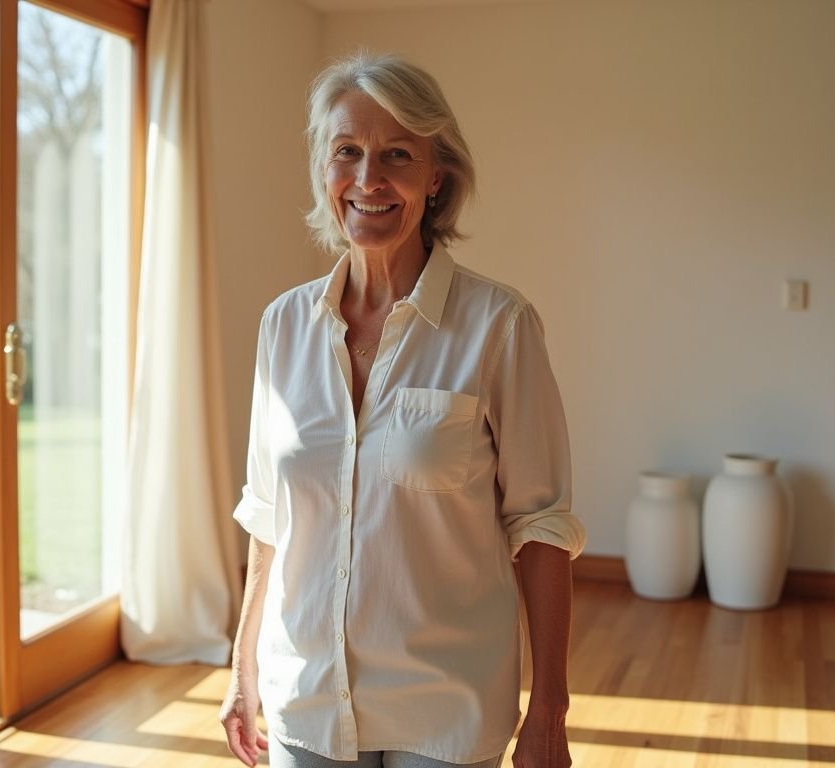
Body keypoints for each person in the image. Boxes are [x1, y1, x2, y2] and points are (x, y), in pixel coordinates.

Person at [219, 52, 586, 768]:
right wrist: (243, 674)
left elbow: (541, 528)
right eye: (347, 153)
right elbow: (269, 515)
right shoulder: (283, 326)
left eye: (397, 155)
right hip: (308, 699)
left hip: (446, 706)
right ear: (324, 170)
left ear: (436, 176)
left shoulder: (499, 325)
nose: (368, 179)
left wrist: (550, 709)